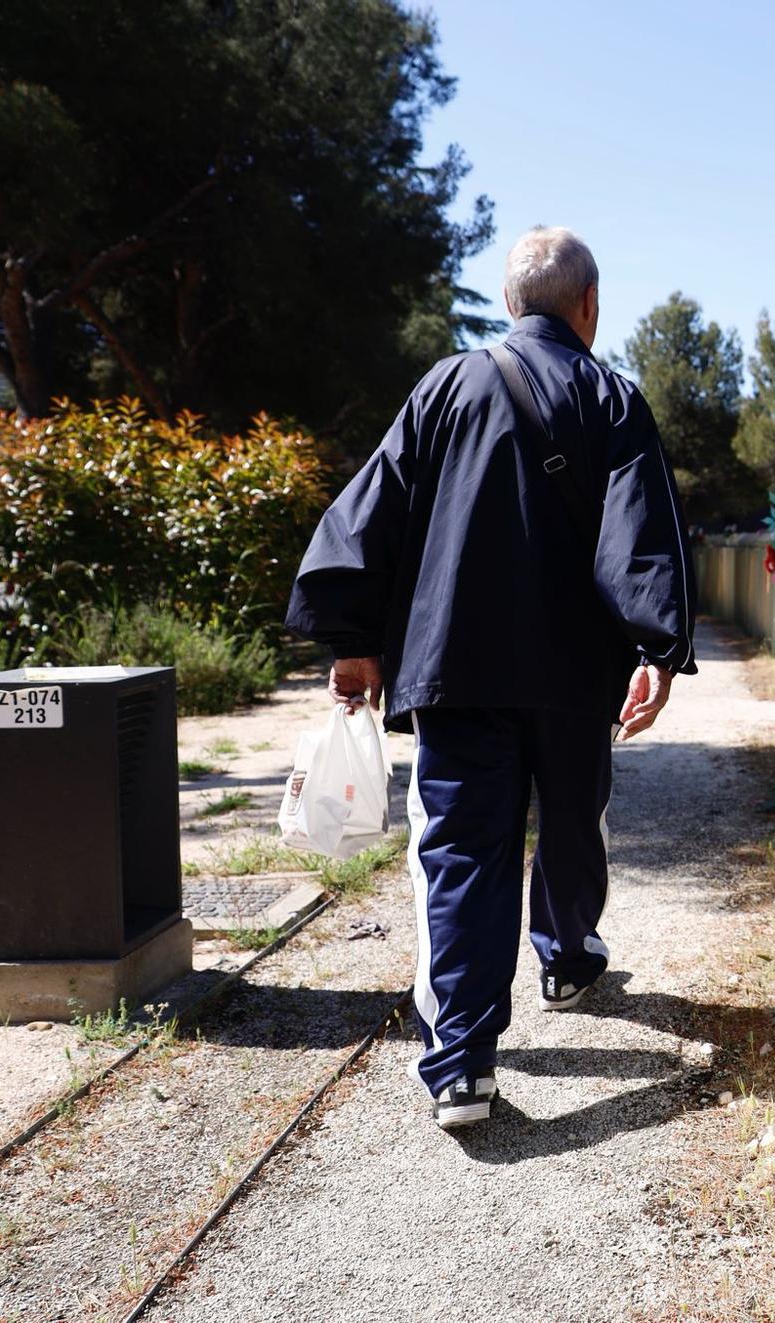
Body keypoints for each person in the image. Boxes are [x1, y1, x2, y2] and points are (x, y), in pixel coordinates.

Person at [286, 227, 697, 1129]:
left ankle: (462, 1064)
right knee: (574, 818)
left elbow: (372, 508)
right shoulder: (613, 396)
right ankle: (568, 955)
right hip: (573, 670)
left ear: (511, 304)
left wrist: (351, 636)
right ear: (588, 307)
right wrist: (656, 649)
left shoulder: (446, 386)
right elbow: (640, 532)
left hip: (455, 668)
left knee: (463, 853)